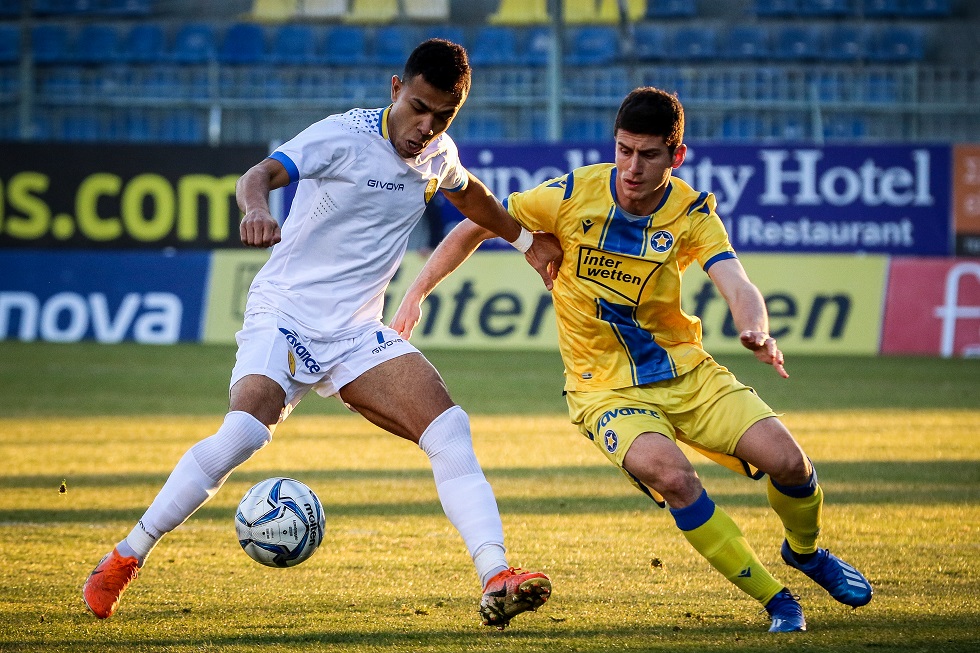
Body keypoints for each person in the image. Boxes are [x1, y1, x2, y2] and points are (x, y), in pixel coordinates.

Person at [82, 39, 559, 630]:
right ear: (395, 89)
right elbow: (259, 175)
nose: (425, 127)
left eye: (443, 115)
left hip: (356, 331)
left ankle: (496, 575)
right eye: (418, 107)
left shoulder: (438, 155)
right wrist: (256, 210)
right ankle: (126, 556)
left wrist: (523, 241)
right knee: (243, 433)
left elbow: (472, 196)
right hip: (285, 313)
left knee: (450, 429)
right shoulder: (341, 136)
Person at [391, 87, 873, 633]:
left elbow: (735, 280)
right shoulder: (572, 194)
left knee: (792, 466)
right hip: (604, 391)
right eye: (624, 150)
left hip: (687, 374)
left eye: (647, 154)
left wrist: (755, 329)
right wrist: (417, 292)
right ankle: (778, 601)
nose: (632, 167)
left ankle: (806, 554)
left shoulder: (691, 213)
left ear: (676, 155)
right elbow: (478, 222)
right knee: (674, 477)